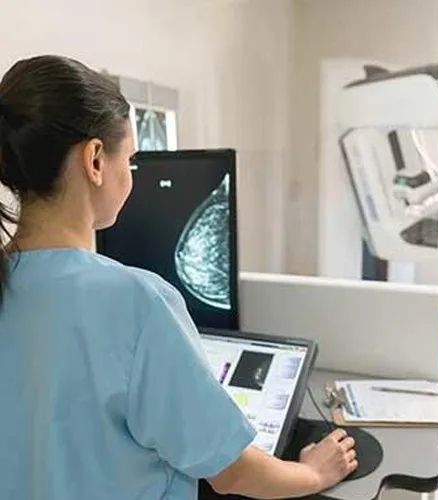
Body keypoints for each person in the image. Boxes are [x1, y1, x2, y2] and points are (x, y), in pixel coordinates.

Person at [0, 55, 357, 500]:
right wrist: (314, 473)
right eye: (129, 160)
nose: (131, 175)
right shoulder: (137, 303)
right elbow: (234, 474)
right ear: (95, 160)